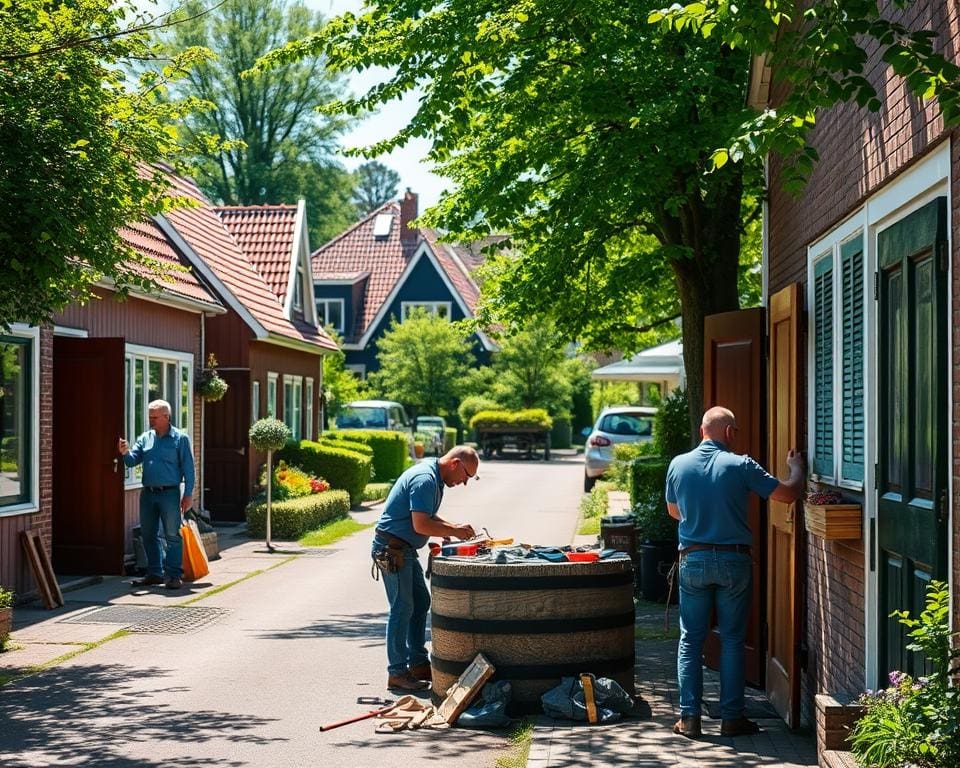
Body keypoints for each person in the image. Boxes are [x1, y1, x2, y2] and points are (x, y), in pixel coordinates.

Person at [665, 406, 804, 738]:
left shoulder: (677, 465)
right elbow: (787, 494)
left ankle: (690, 719)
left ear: (703, 431)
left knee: (690, 640)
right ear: (729, 432)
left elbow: (675, 512)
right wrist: (796, 468)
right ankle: (731, 719)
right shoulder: (741, 464)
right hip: (733, 561)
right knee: (731, 640)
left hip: (693, 560)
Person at [372, 445, 479, 691]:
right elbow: (421, 524)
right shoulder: (425, 479)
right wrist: (453, 531)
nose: (464, 483)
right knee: (402, 607)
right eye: (466, 476)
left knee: (420, 603)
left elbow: (428, 517)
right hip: (392, 549)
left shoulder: (435, 477)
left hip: (403, 549)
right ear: (455, 464)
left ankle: (417, 664)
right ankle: (397, 672)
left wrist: (454, 527)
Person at [119, 399, 196, 591]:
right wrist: (125, 452)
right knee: (148, 534)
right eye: (149, 416)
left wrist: (188, 494)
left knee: (172, 534)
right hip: (148, 494)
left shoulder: (180, 439)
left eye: (154, 417)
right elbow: (131, 462)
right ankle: (154, 573)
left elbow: (189, 470)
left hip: (169, 493)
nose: (151, 420)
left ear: (166, 417)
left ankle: (174, 575)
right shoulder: (145, 438)